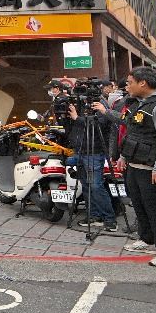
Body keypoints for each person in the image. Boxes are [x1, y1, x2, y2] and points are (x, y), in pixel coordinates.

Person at [116, 66, 156, 267]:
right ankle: (146, 238)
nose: (127, 86)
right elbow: (133, 133)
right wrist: (124, 156)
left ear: (143, 83)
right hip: (135, 166)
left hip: (153, 170)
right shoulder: (139, 104)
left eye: (130, 82)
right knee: (140, 206)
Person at [64, 98, 118, 231]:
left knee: (95, 186)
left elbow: (99, 124)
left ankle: (110, 219)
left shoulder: (98, 103)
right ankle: (94, 216)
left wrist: (77, 118)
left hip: (94, 152)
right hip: (80, 150)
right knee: (87, 186)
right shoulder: (79, 103)